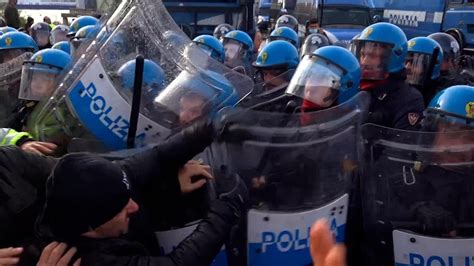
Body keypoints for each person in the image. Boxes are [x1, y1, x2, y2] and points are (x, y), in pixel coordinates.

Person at [37, 121, 249, 266]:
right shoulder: (91, 259)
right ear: (90, 229)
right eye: (121, 209)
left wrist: (206, 131)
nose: (134, 206)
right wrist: (227, 207)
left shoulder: (104, 183)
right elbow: (178, 264)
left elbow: (155, 158)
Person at [351, 22, 425, 130]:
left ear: (393, 58)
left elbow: (402, 142)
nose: (364, 62)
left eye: (372, 55)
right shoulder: (353, 87)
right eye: (362, 54)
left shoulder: (408, 99)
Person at [10, 48, 71, 132]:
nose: (37, 84)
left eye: (45, 79)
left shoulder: (68, 113)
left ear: (62, 81)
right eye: (34, 78)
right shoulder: (26, 107)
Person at [405, 37, 444, 105]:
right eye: (405, 61)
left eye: (413, 62)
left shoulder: (439, 99)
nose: (407, 67)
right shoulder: (395, 91)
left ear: (431, 65)